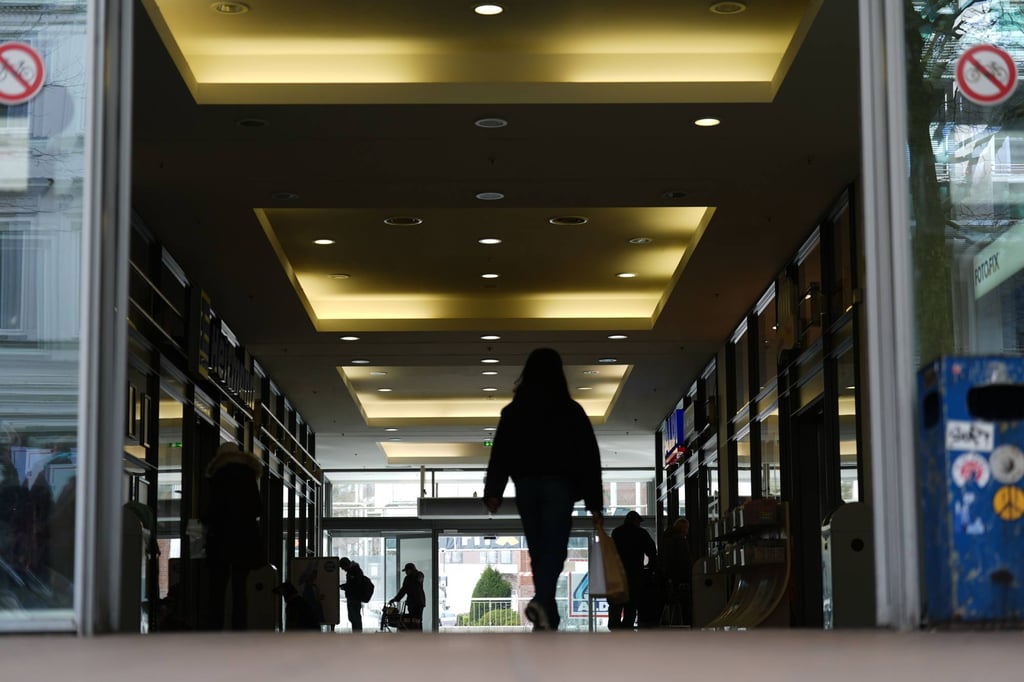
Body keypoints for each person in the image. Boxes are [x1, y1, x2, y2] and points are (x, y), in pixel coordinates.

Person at [483, 347, 604, 632]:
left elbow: (500, 453)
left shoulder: (514, 412)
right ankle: (543, 602)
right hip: (559, 486)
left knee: (538, 548)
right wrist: (594, 502)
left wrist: (494, 491)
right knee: (554, 547)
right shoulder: (571, 411)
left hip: (526, 486)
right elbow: (589, 456)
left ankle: (546, 609)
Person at [202, 442, 263, 630]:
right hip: (244, 541)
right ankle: (239, 627)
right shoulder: (250, 476)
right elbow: (257, 508)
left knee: (217, 588)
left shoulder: (217, 476)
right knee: (240, 588)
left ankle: (215, 628)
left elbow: (212, 510)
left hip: (221, 540)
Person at [608, 510, 657, 630]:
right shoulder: (641, 533)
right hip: (634, 574)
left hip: (617, 574)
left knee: (616, 602)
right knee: (631, 603)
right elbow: (651, 551)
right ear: (636, 521)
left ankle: (614, 626)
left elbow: (610, 553)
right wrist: (650, 567)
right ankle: (627, 627)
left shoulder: (616, 532)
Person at [658, 517, 693, 626]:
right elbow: (684, 560)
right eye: (687, 528)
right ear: (683, 528)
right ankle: (682, 623)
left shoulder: (667, 538)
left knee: (672, 601)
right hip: (679, 576)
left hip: (669, 576)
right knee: (683, 603)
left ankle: (671, 622)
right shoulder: (680, 540)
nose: (688, 531)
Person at [389, 562, 426, 630]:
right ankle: (417, 636)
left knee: (417, 621)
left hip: (416, 603)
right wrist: (396, 599)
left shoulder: (418, 575)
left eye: (406, 570)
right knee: (416, 621)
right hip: (417, 602)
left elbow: (404, 590)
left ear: (410, 570)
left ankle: (417, 636)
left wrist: (396, 599)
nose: (405, 572)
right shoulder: (409, 578)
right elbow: (403, 590)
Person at [338, 557, 366, 632]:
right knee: (354, 617)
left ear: (346, 564)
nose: (342, 569)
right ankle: (357, 633)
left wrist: (345, 587)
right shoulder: (354, 570)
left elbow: (354, 585)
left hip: (354, 598)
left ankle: (357, 634)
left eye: (342, 567)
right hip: (354, 598)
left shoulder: (354, 571)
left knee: (354, 617)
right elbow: (352, 584)